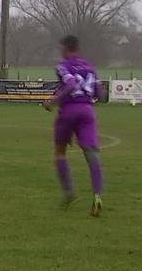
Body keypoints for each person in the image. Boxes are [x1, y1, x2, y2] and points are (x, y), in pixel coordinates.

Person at [42, 35, 104, 216]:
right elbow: (101, 93)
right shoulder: (90, 67)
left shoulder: (63, 65)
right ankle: (97, 195)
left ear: (65, 48)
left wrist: (53, 102)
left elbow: (70, 84)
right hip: (87, 111)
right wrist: (90, 99)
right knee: (91, 153)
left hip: (68, 111)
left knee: (60, 151)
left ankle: (68, 191)